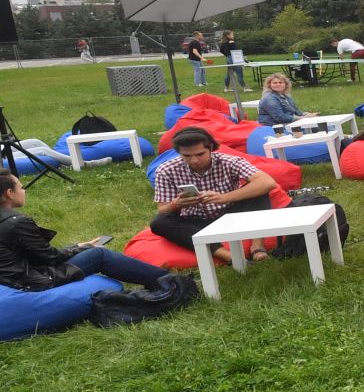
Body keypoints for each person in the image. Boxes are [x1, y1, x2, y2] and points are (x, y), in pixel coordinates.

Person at [1, 172, 184, 296]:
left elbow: (34, 253)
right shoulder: (16, 222)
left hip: (13, 276)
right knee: (100, 255)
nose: (24, 191)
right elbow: (50, 257)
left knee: (87, 250)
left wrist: (77, 247)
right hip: (31, 280)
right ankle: (171, 282)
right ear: (10, 193)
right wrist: (83, 248)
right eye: (21, 187)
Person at [148, 127, 279, 261]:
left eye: (200, 154)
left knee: (258, 193)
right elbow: (162, 209)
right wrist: (176, 204)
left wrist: (224, 197)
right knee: (159, 222)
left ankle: (257, 248)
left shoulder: (229, 161)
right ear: (178, 153)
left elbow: (267, 182)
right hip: (195, 222)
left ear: (210, 148)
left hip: (231, 215)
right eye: (186, 156)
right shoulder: (166, 170)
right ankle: (227, 256)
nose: (194, 161)